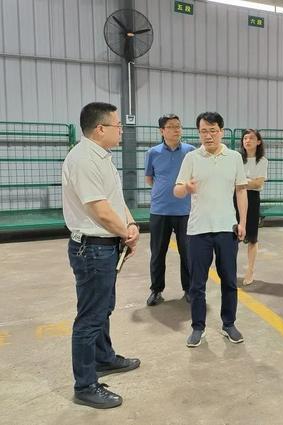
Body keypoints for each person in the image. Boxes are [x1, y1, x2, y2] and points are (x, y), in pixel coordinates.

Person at [62, 102, 141, 409]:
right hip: (92, 248)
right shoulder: (82, 159)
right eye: (117, 125)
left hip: (105, 246)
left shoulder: (102, 157)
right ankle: (85, 385)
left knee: (103, 306)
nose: (120, 129)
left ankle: (104, 358)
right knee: (90, 317)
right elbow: (99, 209)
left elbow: (115, 201)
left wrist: (130, 224)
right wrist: (124, 232)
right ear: (100, 129)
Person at [174, 112, 248, 348]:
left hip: (227, 228)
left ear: (222, 131)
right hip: (198, 230)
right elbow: (176, 191)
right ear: (198, 133)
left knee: (229, 280)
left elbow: (241, 191)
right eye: (204, 131)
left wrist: (243, 222)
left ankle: (229, 324)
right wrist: (185, 187)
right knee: (197, 283)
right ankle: (198, 327)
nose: (208, 135)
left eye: (213, 130)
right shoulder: (191, 158)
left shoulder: (234, 157)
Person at [144, 114, 195, 306]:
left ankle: (189, 289)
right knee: (158, 252)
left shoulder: (190, 151)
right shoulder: (153, 153)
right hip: (160, 211)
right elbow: (150, 179)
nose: (176, 130)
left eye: (179, 126)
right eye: (171, 127)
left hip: (185, 211)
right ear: (162, 131)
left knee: (187, 253)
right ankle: (156, 290)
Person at [234, 129, 268, 286]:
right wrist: (249, 181)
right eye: (245, 138)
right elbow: (235, 180)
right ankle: (230, 269)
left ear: (258, 142)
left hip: (253, 200)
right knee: (232, 235)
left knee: (252, 237)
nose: (247, 141)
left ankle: (250, 270)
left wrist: (242, 180)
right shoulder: (237, 158)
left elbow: (258, 184)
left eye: (251, 138)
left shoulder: (262, 161)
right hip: (235, 197)